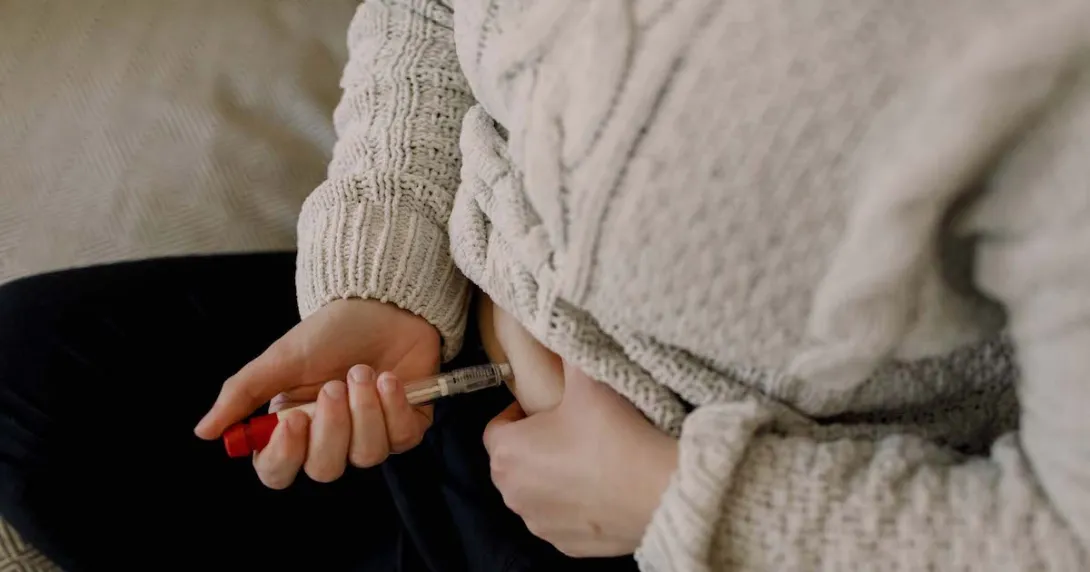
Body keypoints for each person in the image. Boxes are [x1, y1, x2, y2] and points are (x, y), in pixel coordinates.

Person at [2, 1, 1090, 571]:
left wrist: (680, 503)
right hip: (444, 356)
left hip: (708, 515)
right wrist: (377, 279)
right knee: (25, 393)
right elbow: (428, 12)